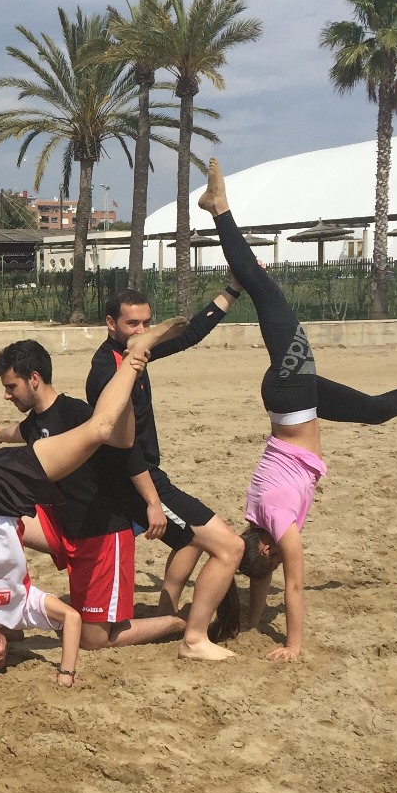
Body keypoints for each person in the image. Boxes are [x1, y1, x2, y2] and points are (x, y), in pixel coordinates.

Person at [197, 157, 397, 661]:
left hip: (293, 398)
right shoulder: (257, 523)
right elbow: (262, 576)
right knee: (376, 410)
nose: (278, 566)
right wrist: (251, 622)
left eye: (271, 561)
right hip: (294, 405)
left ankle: (219, 208)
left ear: (267, 547)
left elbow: (294, 587)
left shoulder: (279, 528)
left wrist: (293, 646)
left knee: (262, 288)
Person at [0, 258, 188, 684]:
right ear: (9, 648)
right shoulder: (21, 609)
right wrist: (65, 672)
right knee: (100, 428)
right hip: (14, 487)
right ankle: (135, 356)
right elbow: (69, 619)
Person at [0, 339, 186, 652]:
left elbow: (128, 453)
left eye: (12, 387)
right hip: (64, 528)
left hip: (102, 535)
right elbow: (18, 432)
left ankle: (179, 622)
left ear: (34, 378)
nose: (7, 395)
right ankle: (5, 618)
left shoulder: (76, 413)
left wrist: (153, 503)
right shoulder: (35, 422)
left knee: (93, 640)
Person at [87, 281, 249, 661]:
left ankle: (165, 612)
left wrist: (233, 289)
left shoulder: (135, 355)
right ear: (111, 323)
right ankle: (194, 639)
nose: (142, 331)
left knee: (190, 538)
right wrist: (152, 502)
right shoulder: (107, 371)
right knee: (230, 546)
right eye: (133, 324)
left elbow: (189, 334)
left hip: (144, 475)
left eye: (147, 323)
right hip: (134, 480)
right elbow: (124, 448)